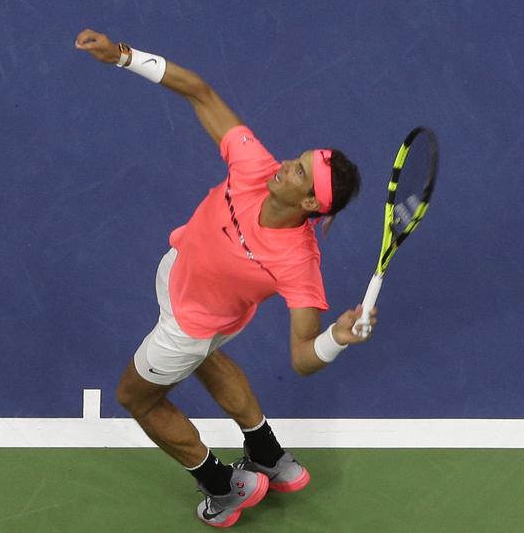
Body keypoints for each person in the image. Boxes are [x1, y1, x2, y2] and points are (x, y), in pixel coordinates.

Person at [73, 28, 377, 528]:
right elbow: (201, 92)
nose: (285, 165)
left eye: (299, 172)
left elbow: (302, 357)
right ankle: (267, 453)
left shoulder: (298, 263)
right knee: (208, 357)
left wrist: (337, 338)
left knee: (136, 397)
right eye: (297, 159)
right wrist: (122, 56)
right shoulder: (255, 168)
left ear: (309, 203)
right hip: (192, 289)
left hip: (189, 326)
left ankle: (221, 485)